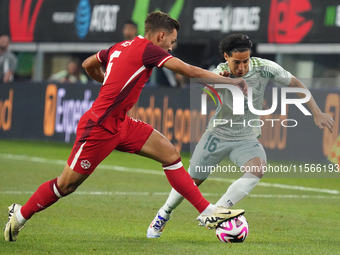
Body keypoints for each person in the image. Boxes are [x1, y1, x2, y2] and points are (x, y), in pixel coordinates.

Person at [4, 12, 248, 242]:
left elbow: (89, 64)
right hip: (99, 127)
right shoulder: (148, 50)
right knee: (66, 185)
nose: (172, 47)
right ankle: (20, 215)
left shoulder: (120, 46)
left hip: (122, 123)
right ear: (160, 36)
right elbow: (187, 69)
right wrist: (231, 82)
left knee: (171, 155)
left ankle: (207, 211)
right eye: (171, 41)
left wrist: (108, 80)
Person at [147, 34, 334, 238]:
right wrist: (222, 82)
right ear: (226, 56)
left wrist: (316, 112)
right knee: (191, 181)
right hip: (216, 135)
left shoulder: (264, 67)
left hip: (246, 137)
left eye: (245, 61)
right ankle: (163, 214)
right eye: (237, 62)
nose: (242, 67)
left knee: (258, 168)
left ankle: (216, 211)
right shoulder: (218, 72)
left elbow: (295, 83)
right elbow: (203, 99)